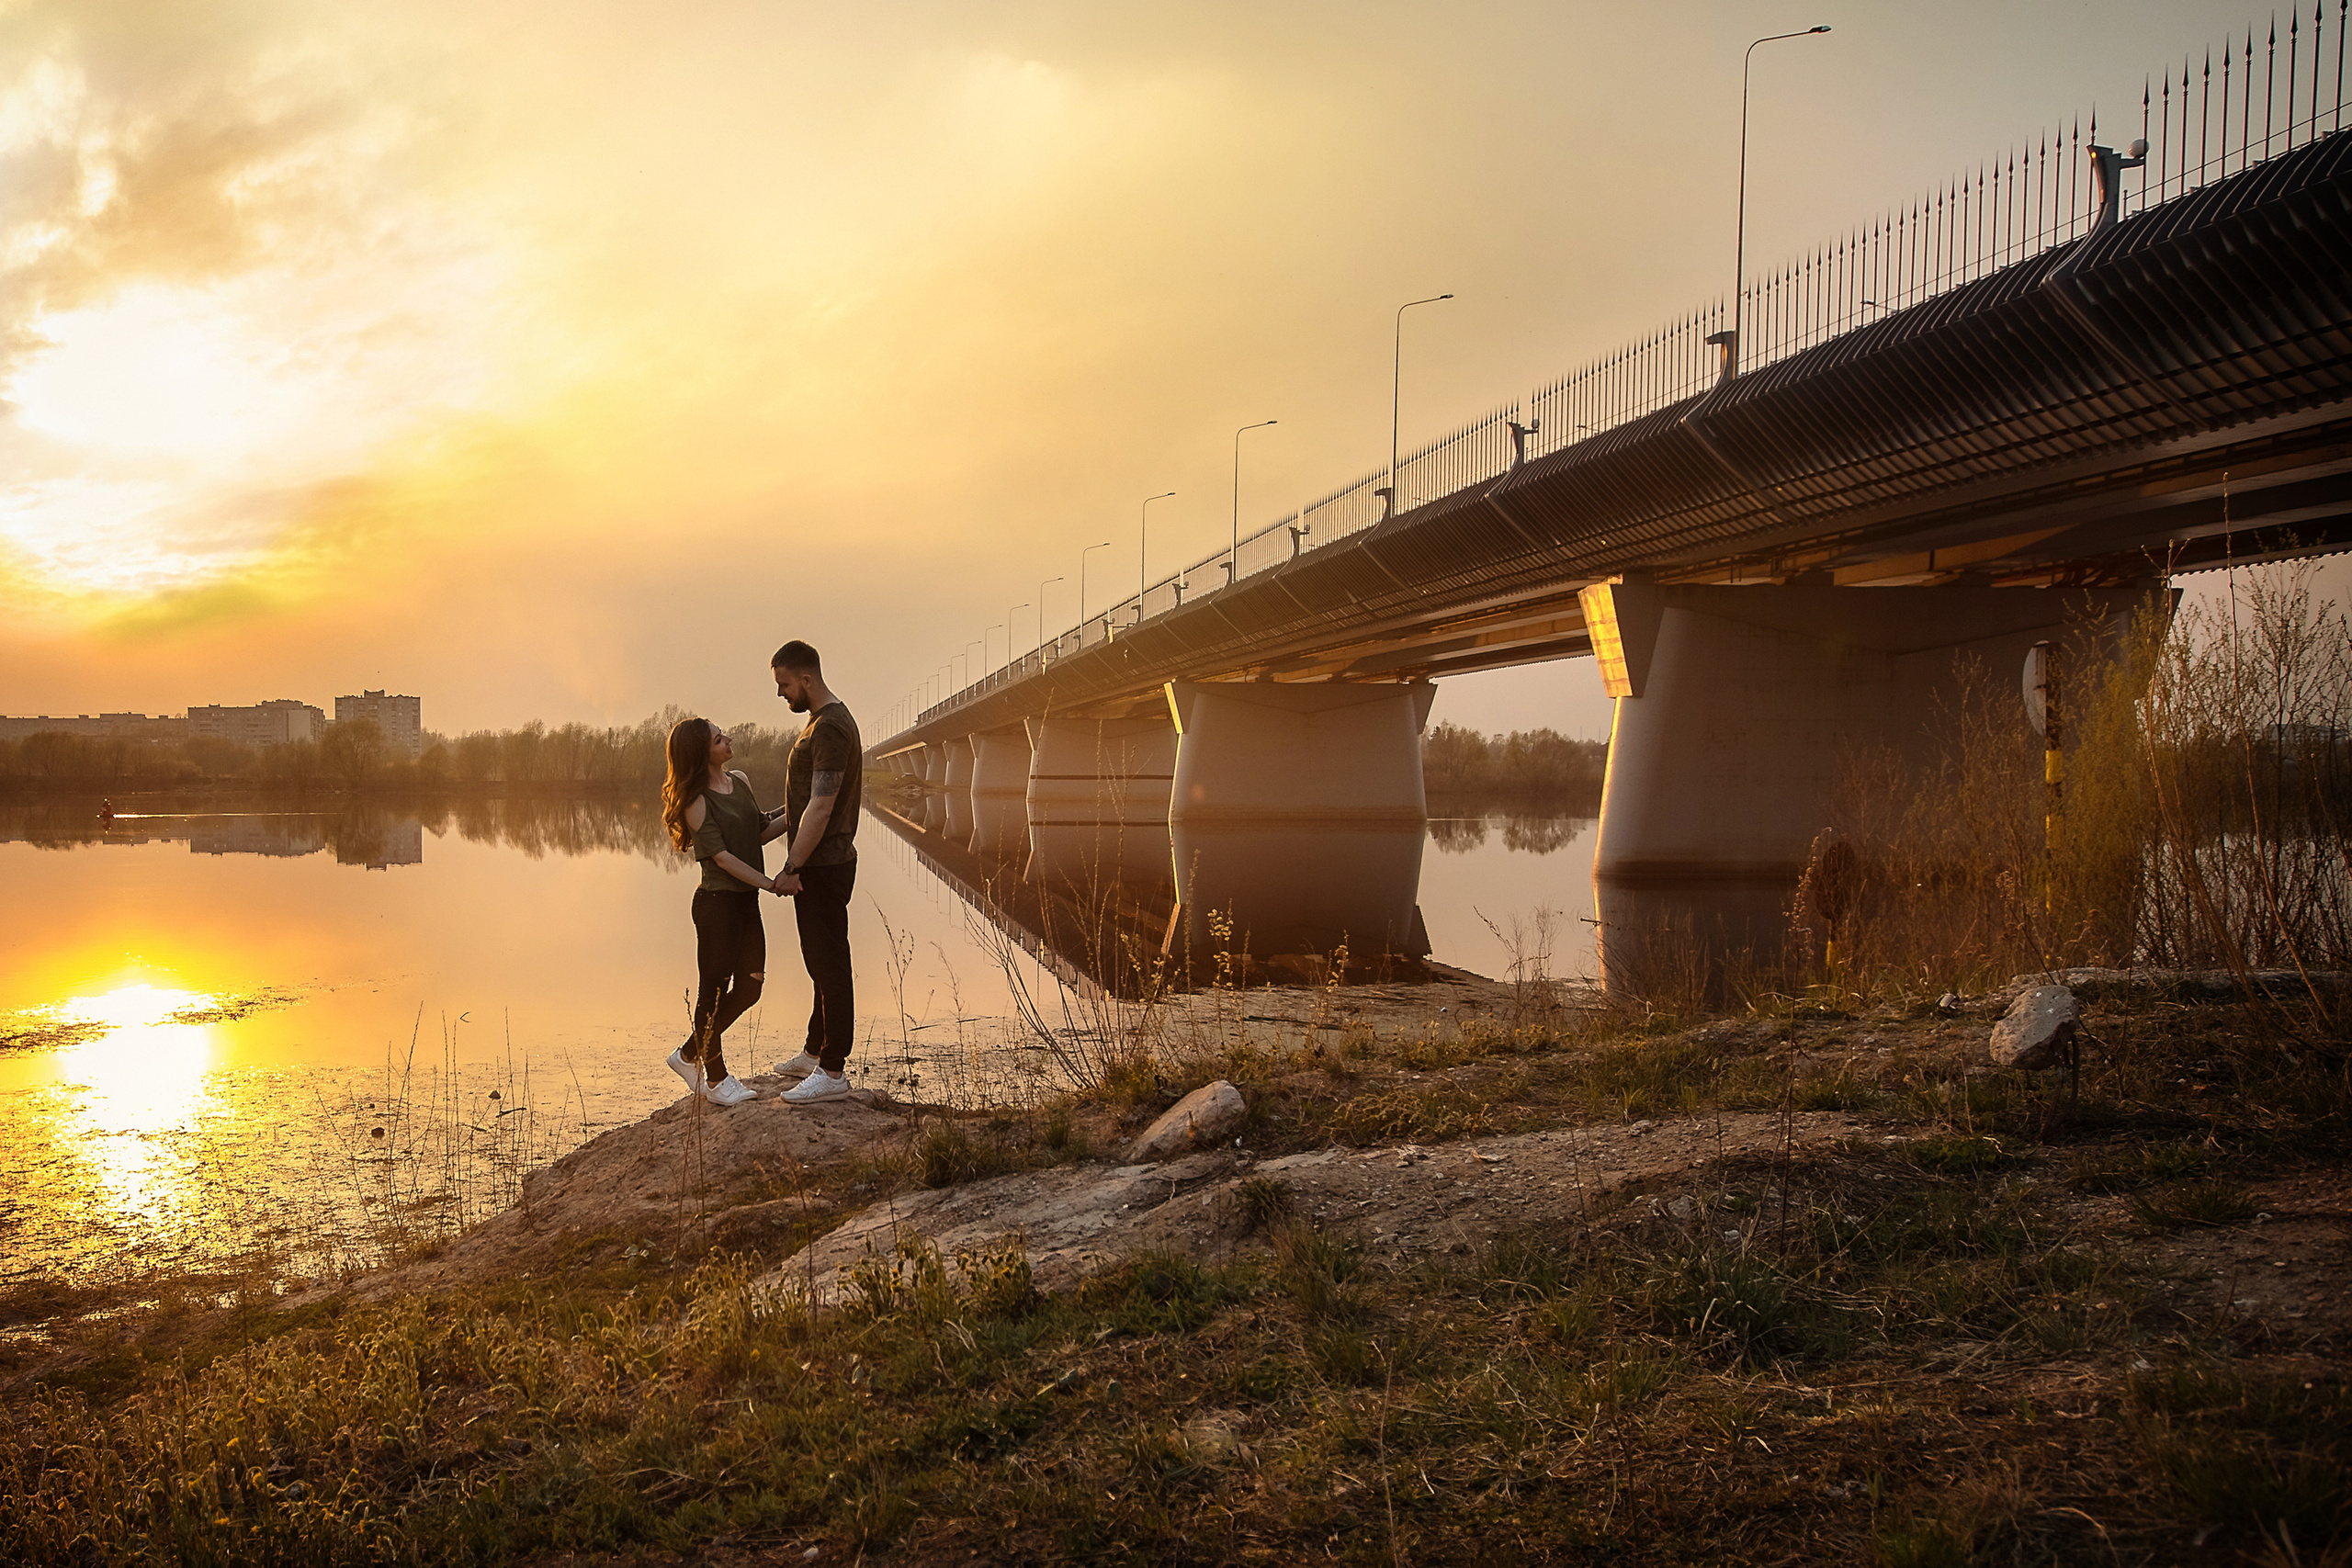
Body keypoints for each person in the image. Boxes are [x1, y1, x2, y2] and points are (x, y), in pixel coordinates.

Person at [659, 716, 792, 1108]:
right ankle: (715, 1079)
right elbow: (722, 858)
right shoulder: (696, 801)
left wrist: (800, 810)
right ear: (702, 753)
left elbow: (759, 832)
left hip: (746, 903)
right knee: (713, 993)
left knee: (751, 986)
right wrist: (770, 884)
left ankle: (686, 1054)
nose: (728, 740)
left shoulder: (741, 781)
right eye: (719, 739)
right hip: (717, 906)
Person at [765, 639, 862, 1103]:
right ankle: (813, 1051)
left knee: (830, 964)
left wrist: (791, 867)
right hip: (816, 864)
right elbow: (803, 804)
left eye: (784, 684)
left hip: (824, 865)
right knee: (817, 962)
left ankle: (833, 1070)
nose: (781, 693)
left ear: (806, 679)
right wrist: (764, 830)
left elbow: (822, 808)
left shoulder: (831, 728)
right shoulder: (816, 724)